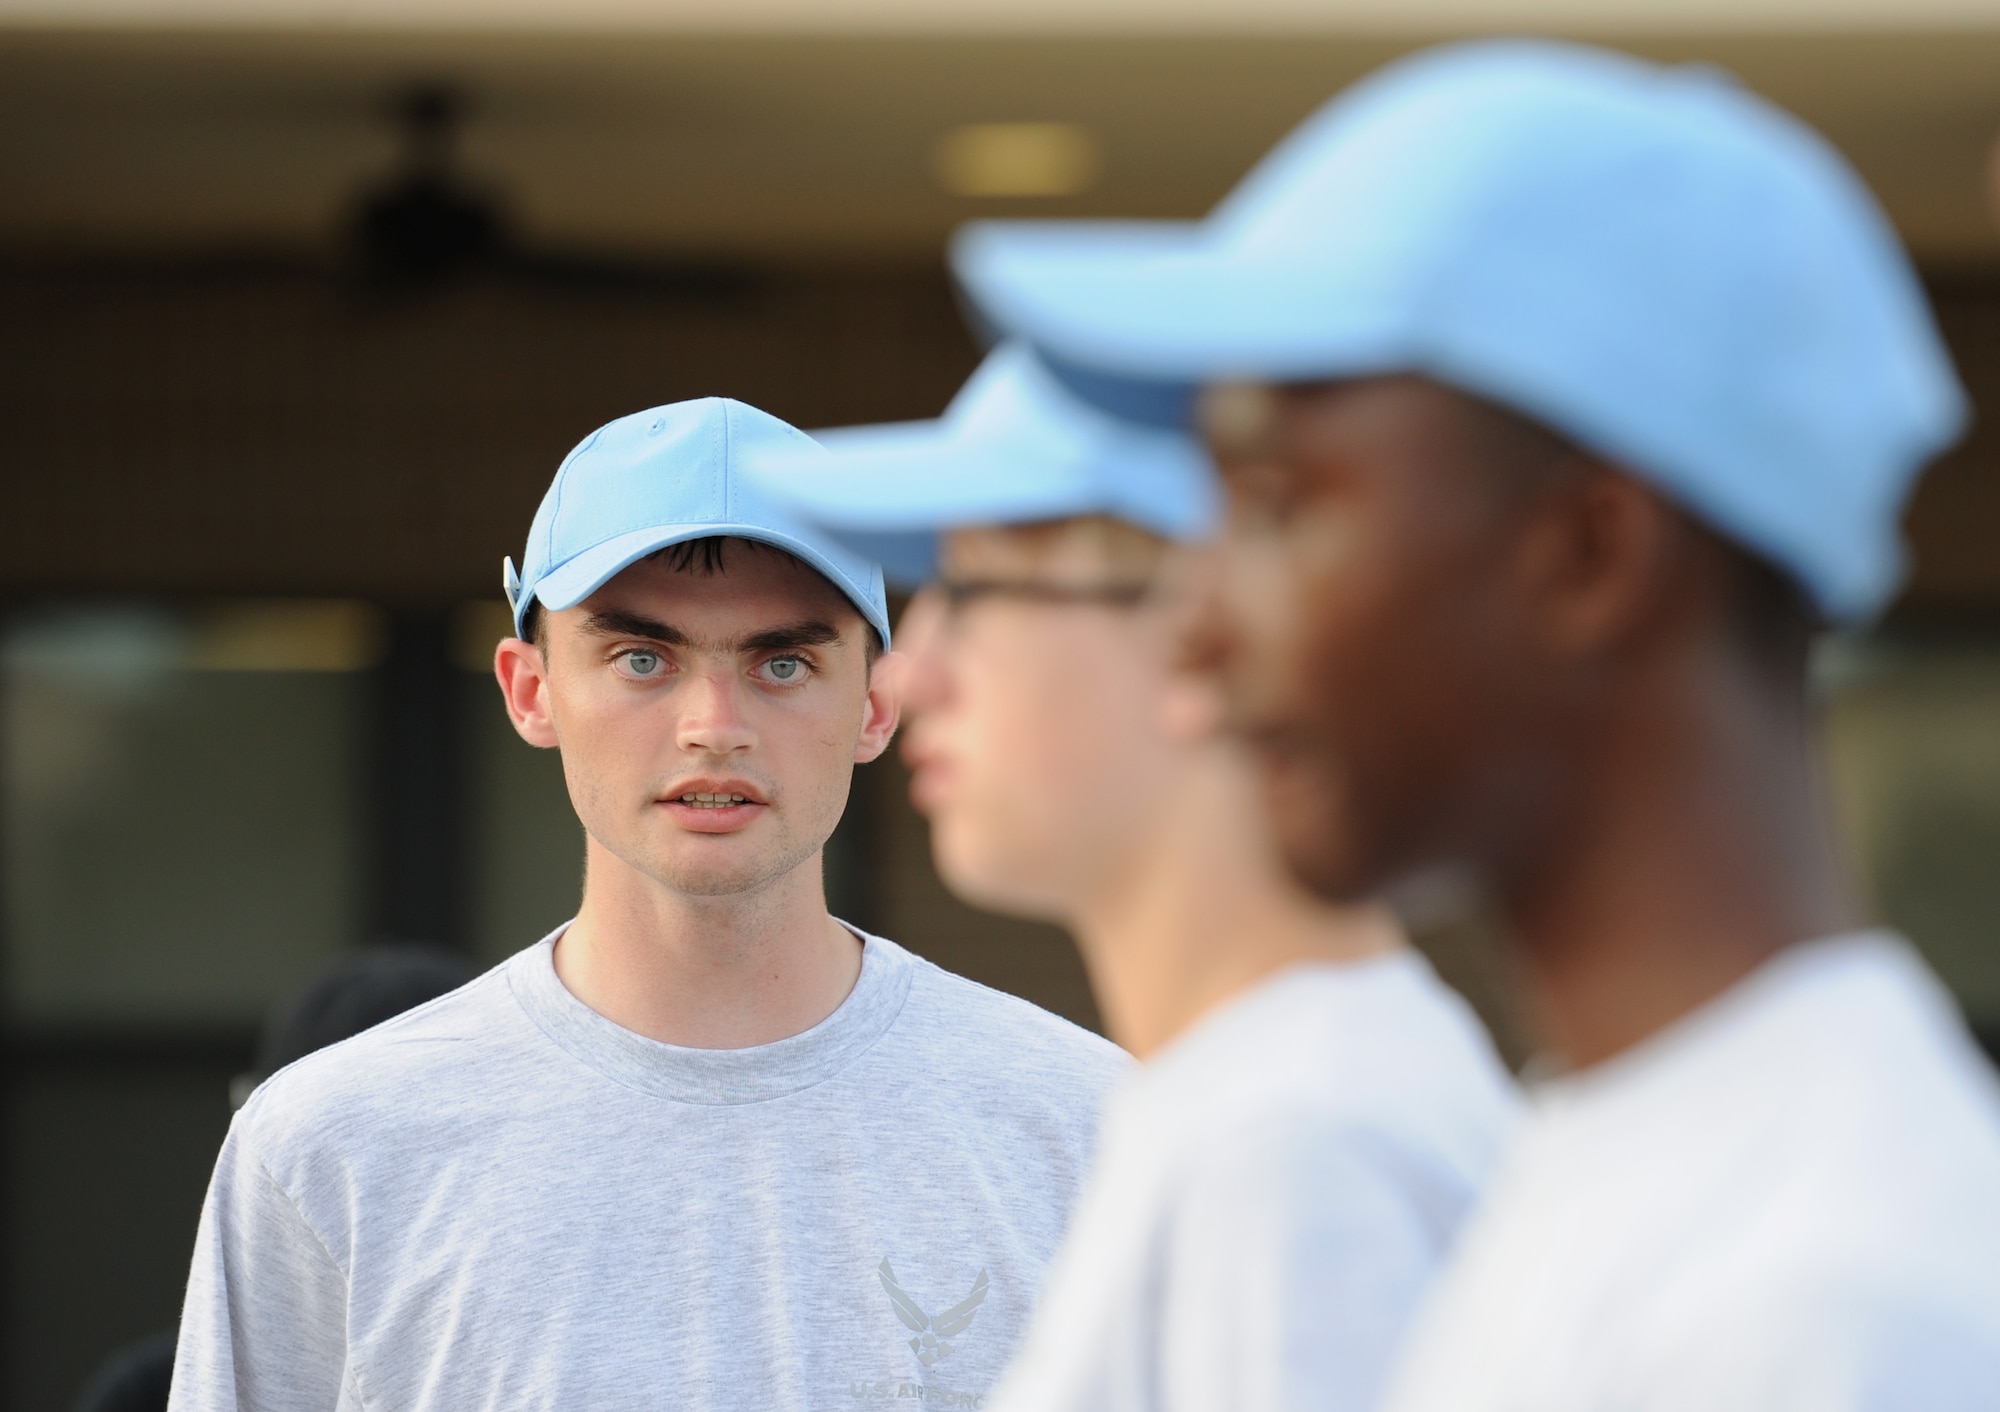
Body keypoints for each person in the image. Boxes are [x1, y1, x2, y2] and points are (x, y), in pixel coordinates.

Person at [948, 38, 2000, 1412]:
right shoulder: (1634, 1158)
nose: (1197, 632)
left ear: (1588, 554)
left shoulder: (1822, 1309)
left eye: (1279, 509)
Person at [168, 397, 1127, 1412]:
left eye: (783, 661)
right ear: (530, 689)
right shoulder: (333, 1145)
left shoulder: (1089, 1129)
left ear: (877, 703)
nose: (714, 725)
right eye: (642, 658)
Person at [745, 343, 1518, 1412]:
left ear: (1202, 633)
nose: (910, 668)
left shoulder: (1298, 1145)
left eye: (970, 591)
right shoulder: (1244, 1103)